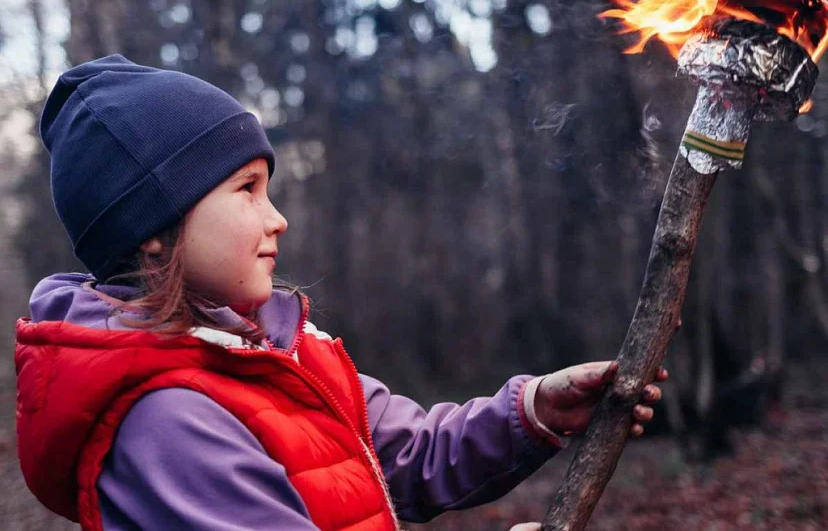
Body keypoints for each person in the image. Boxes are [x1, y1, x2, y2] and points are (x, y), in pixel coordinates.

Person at [15, 55, 666, 531]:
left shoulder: (283, 353)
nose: (278, 219)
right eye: (246, 189)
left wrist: (534, 411)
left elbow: (407, 453)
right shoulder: (163, 423)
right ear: (151, 230)